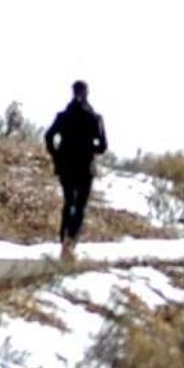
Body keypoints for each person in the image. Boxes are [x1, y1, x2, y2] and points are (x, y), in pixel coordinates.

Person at [44, 80, 107, 258]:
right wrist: (89, 148)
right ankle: (70, 243)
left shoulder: (63, 116)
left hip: (66, 165)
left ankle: (64, 241)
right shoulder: (94, 118)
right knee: (79, 206)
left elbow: (49, 136)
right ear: (87, 93)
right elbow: (103, 146)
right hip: (85, 166)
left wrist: (57, 154)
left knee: (68, 202)